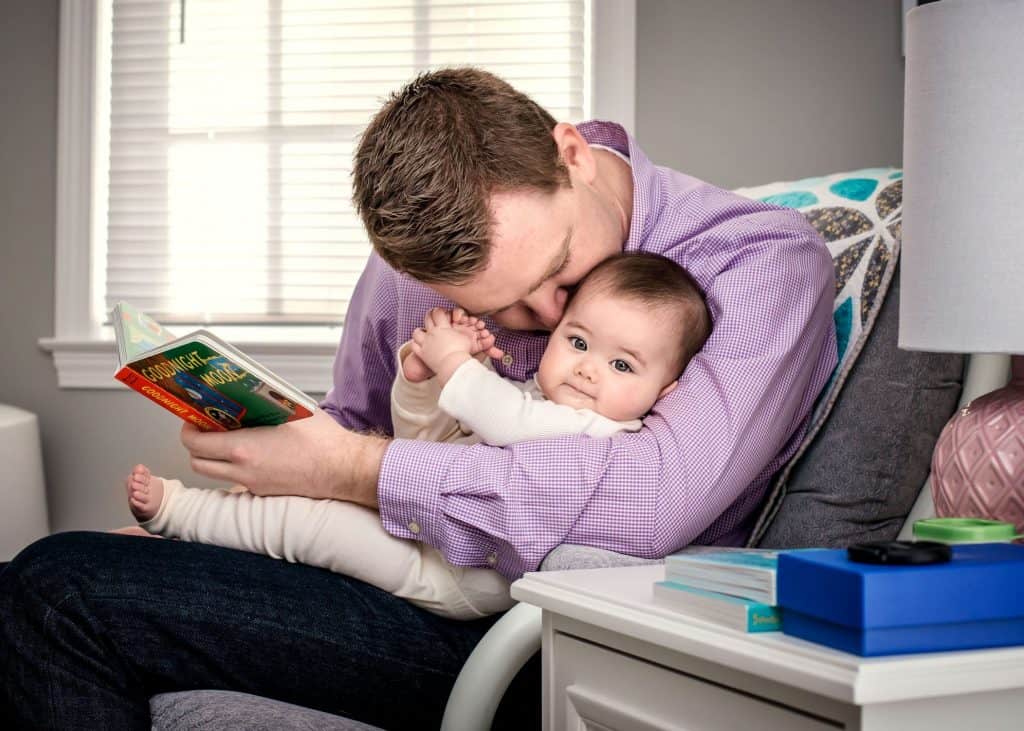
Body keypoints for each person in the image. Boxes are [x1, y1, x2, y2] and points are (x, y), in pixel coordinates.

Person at [0, 68, 836, 729]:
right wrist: (236, 508)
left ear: (571, 152)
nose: (545, 321)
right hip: (389, 576)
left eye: (555, 271)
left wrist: (353, 467)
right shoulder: (408, 271)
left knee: (57, 590)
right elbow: (354, 431)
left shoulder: (761, 263)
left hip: (542, 633)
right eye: (498, 309)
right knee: (53, 577)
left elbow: (652, 503)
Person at [123, 253, 712, 621]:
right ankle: (203, 536)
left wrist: (460, 366)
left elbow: (507, 423)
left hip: (455, 577)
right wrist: (421, 379)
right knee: (313, 494)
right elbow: (418, 448)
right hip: (430, 530)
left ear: (664, 392)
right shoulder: (536, 393)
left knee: (314, 525)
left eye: (623, 366)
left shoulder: (601, 428)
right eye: (579, 343)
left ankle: (184, 514)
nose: (587, 369)